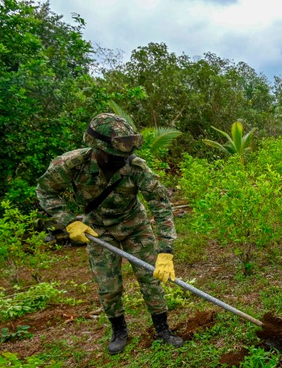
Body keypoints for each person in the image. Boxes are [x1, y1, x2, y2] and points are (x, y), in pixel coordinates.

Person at [36, 113, 183, 355]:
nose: (122, 160)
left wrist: (166, 250)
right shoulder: (71, 164)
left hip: (135, 225)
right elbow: (45, 192)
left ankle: (162, 329)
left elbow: (159, 201)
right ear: (97, 148)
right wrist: (70, 222)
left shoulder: (135, 166)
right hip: (97, 230)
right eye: (116, 156)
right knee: (108, 285)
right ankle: (119, 330)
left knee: (151, 278)